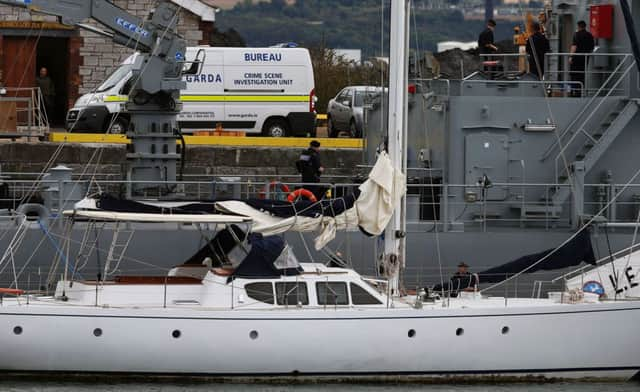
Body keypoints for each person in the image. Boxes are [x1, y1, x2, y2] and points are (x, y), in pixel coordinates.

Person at [570, 20, 595, 97]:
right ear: (585, 26)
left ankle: (574, 92)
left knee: (574, 74)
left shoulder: (576, 35)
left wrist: (571, 56)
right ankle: (581, 91)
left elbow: (574, 46)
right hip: (584, 58)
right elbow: (592, 47)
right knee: (582, 75)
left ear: (578, 26)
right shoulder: (589, 35)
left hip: (576, 58)